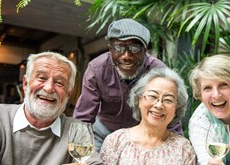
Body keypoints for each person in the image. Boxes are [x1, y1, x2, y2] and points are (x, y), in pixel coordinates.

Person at [73, 18, 182, 152]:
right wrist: (77, 153)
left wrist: (178, 150)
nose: (126, 56)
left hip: (143, 135)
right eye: (118, 47)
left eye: (134, 48)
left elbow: (170, 113)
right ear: (110, 49)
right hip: (103, 133)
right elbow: (83, 117)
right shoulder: (96, 69)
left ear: (145, 49)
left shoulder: (158, 71)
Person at [99, 67, 196, 165]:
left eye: (168, 100)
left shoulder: (184, 149)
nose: (158, 105)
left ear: (176, 108)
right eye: (152, 96)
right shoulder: (115, 141)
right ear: (140, 100)